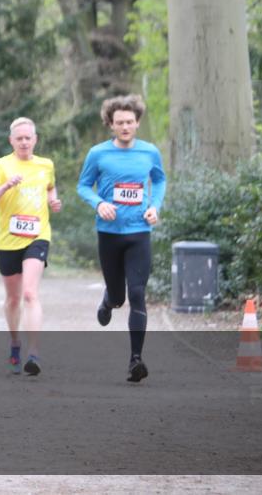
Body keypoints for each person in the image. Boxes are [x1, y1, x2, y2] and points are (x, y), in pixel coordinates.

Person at [76, 95, 166, 383]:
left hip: (139, 232)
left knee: (138, 294)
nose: (125, 126)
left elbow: (160, 180)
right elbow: (82, 186)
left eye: (129, 122)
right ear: (111, 125)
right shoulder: (98, 154)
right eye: (119, 123)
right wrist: (98, 203)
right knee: (119, 296)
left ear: (137, 123)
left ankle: (135, 360)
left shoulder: (150, 152)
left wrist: (155, 207)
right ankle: (108, 300)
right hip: (109, 234)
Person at [0, 117, 61, 376]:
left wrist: (53, 201)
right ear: (11, 141)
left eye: (28, 138)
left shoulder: (45, 164)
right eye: (19, 138)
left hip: (38, 236)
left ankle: (33, 352)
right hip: (7, 240)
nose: (24, 142)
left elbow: (50, 187)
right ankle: (15, 341)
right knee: (13, 299)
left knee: (29, 293)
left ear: (35, 139)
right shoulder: (0, 165)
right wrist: (5, 186)